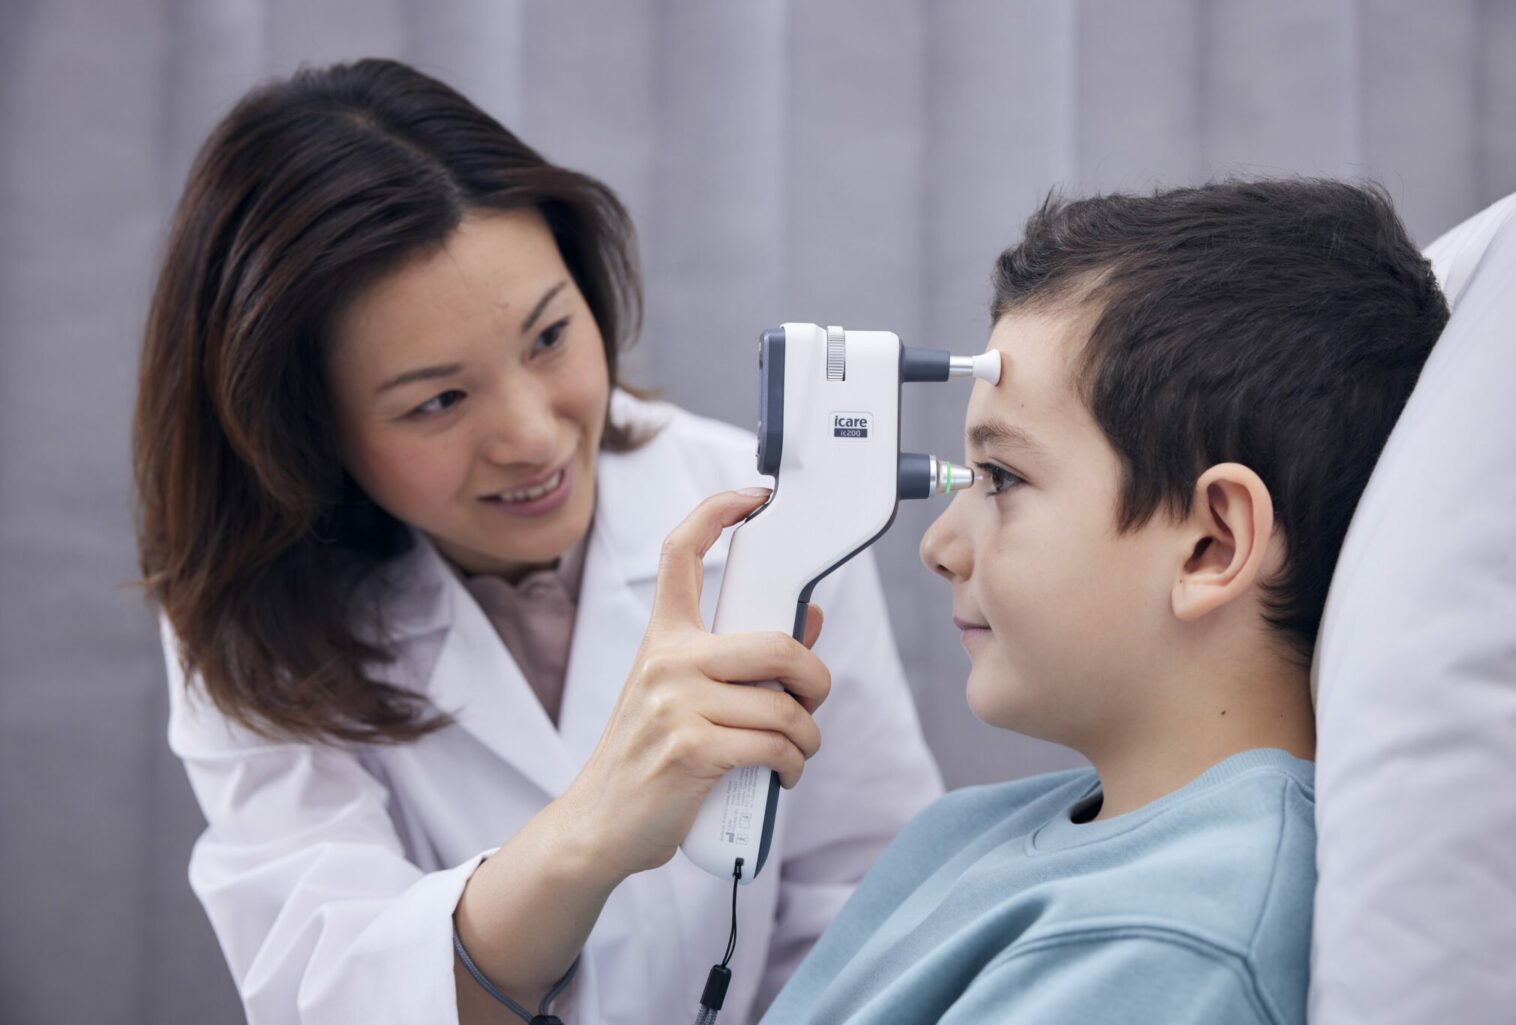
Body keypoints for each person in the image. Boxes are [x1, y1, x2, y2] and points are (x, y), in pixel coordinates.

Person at [134, 58, 942, 1025]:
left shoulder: (775, 519)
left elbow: (871, 916)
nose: (532, 433)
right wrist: (592, 829)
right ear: (304, 432)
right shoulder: (253, 623)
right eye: (439, 399)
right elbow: (339, 992)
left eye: (549, 338)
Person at [760, 179, 1450, 1025]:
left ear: (1212, 544)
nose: (938, 546)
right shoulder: (965, 832)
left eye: (1001, 478)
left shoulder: (1174, 945)